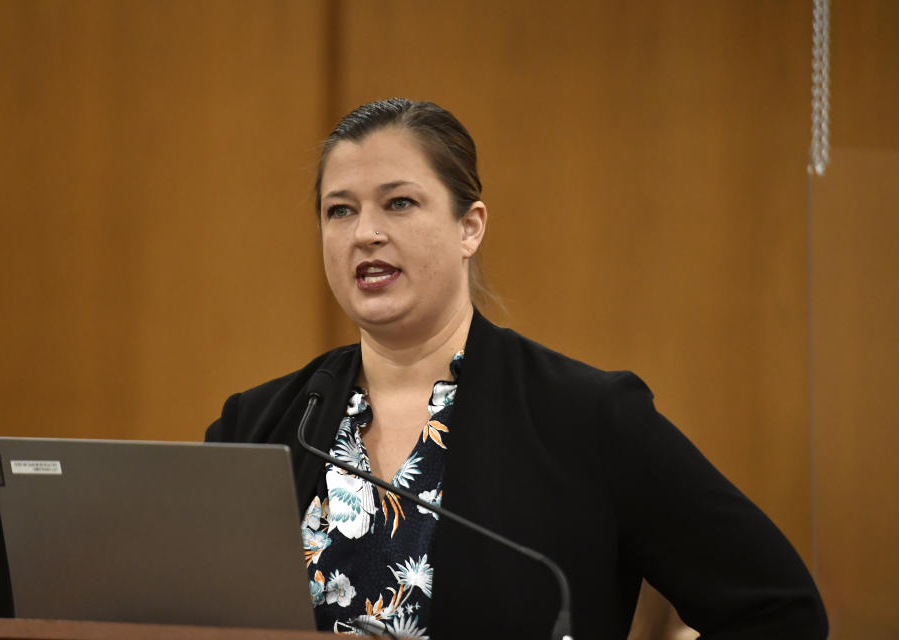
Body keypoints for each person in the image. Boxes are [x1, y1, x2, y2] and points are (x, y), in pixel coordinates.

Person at [206, 98, 827, 639]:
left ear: (469, 227)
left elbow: (778, 612)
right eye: (339, 210)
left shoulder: (586, 418)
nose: (366, 232)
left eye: (399, 203)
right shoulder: (258, 424)